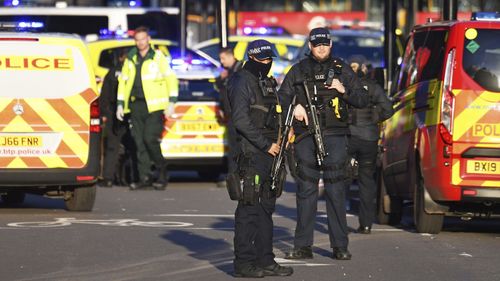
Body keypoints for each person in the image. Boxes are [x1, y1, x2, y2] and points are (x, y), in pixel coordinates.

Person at [279, 27, 369, 260]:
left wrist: (343, 89)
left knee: (336, 190)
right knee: (306, 190)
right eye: (317, 44)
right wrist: (294, 107)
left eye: (325, 44)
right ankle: (303, 247)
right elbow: (281, 99)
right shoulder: (298, 70)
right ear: (310, 46)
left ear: (330, 45)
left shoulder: (342, 69)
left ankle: (340, 246)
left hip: (336, 137)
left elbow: (362, 99)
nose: (321, 48)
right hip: (305, 137)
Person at [228, 39, 293, 278]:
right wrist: (267, 145)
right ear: (253, 58)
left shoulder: (265, 81)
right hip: (253, 153)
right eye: (265, 59)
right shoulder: (241, 80)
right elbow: (241, 120)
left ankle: (265, 259)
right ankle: (244, 264)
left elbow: (274, 114)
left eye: (270, 59)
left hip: (270, 154)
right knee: (248, 210)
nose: (268, 63)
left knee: (266, 209)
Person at [116, 26, 178, 190]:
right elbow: (123, 83)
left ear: (148, 39)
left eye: (143, 39)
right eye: (137, 39)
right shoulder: (131, 58)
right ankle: (144, 177)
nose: (140, 42)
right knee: (139, 142)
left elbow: (171, 79)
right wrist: (121, 104)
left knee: (149, 139)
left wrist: (172, 101)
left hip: (155, 106)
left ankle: (162, 170)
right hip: (136, 105)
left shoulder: (157, 57)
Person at [347, 56, 394, 234]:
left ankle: (336, 221)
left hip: (348, 137)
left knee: (341, 179)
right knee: (366, 181)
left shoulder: (346, 86)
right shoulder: (374, 88)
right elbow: (388, 108)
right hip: (369, 139)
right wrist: (374, 118)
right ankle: (366, 224)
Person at [98, 50, 128, 187]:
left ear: (121, 58)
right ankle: (129, 178)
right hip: (130, 113)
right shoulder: (135, 73)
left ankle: (108, 178)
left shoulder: (112, 72)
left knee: (112, 147)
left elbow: (104, 95)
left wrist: (103, 113)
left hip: (112, 113)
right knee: (132, 147)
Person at [215, 47, 243, 184]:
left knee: (239, 147)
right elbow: (222, 90)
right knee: (233, 147)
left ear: (230, 56)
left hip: (239, 113)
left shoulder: (239, 70)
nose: (221, 61)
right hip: (230, 114)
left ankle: (237, 176)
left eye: (223, 58)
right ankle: (233, 176)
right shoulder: (227, 71)